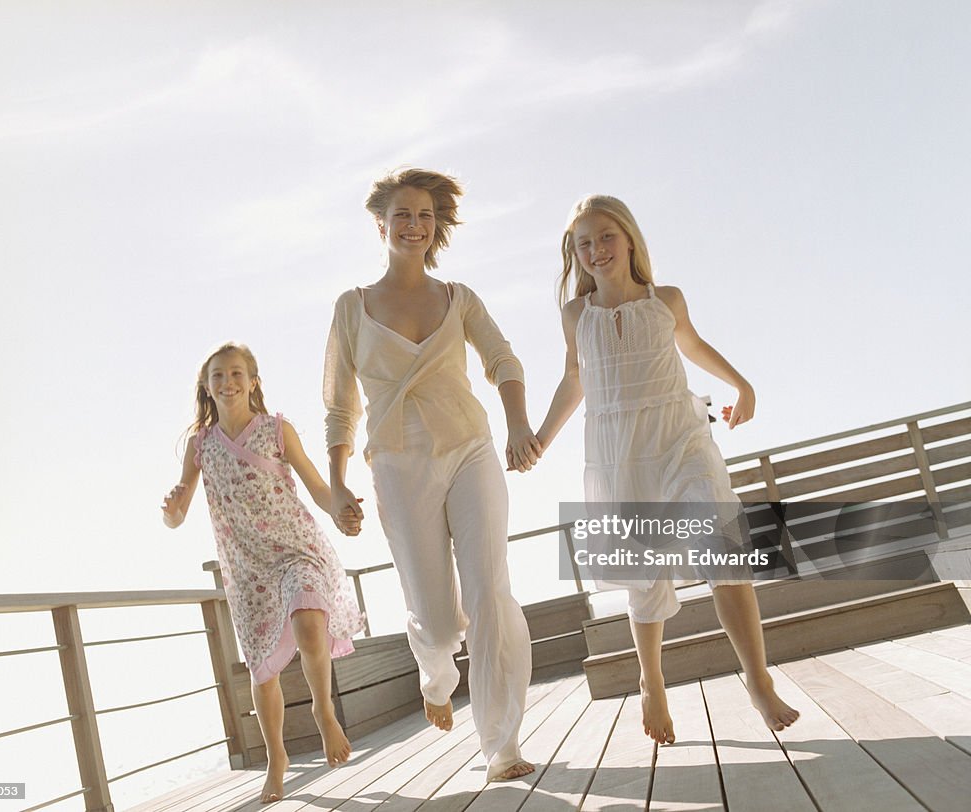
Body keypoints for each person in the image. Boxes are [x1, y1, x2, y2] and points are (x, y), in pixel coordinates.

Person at [533, 195, 799, 745]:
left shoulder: (667, 300)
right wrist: (540, 437)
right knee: (642, 577)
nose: (596, 250)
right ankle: (652, 682)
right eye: (584, 243)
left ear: (629, 238)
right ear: (574, 254)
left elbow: (693, 344)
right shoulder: (575, 315)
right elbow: (574, 380)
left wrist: (741, 385)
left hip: (680, 434)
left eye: (606, 236)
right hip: (617, 451)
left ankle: (757, 677)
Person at [323, 168, 538, 781]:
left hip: (469, 446)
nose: (414, 225)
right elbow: (340, 405)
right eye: (402, 215)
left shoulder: (459, 299)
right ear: (381, 225)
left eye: (424, 215)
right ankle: (436, 676)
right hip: (397, 462)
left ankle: (502, 745)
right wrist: (338, 484)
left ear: (435, 224)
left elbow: (503, 359)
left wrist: (518, 424)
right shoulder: (351, 308)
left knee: (489, 590)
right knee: (439, 619)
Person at [162, 342, 365, 803]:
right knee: (262, 671)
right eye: (218, 375)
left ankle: (323, 710)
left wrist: (342, 509)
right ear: (206, 386)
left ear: (253, 382)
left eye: (237, 373)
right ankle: (277, 757)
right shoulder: (200, 446)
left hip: (296, 549)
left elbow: (318, 487)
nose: (227, 382)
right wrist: (172, 511)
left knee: (310, 620)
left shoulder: (277, 430)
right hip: (247, 568)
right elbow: (178, 513)